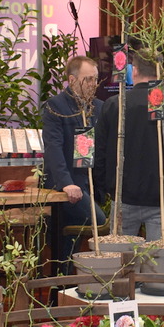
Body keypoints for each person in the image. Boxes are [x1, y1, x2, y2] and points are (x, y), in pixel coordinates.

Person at [94, 51, 164, 240]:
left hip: (123, 197)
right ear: (161, 71)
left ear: (134, 71)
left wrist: (103, 190)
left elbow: (99, 152)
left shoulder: (113, 106)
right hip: (163, 199)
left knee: (121, 256)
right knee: (158, 257)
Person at [42, 55, 106, 261]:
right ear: (72, 80)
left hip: (91, 184)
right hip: (66, 185)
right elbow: (53, 147)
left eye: (95, 79)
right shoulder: (56, 106)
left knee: (70, 240)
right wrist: (66, 183)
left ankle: (67, 270)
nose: (93, 84)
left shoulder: (99, 107)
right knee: (97, 220)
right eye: (88, 79)